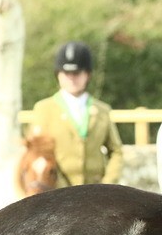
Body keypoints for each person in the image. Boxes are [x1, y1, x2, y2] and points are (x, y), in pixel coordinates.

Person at [29, 42, 124, 186]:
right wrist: (61, 187)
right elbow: (39, 153)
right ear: (58, 75)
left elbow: (116, 151)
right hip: (58, 190)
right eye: (66, 73)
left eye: (77, 73)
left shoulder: (102, 110)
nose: (72, 78)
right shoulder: (43, 109)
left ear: (87, 75)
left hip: (96, 190)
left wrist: (108, 184)